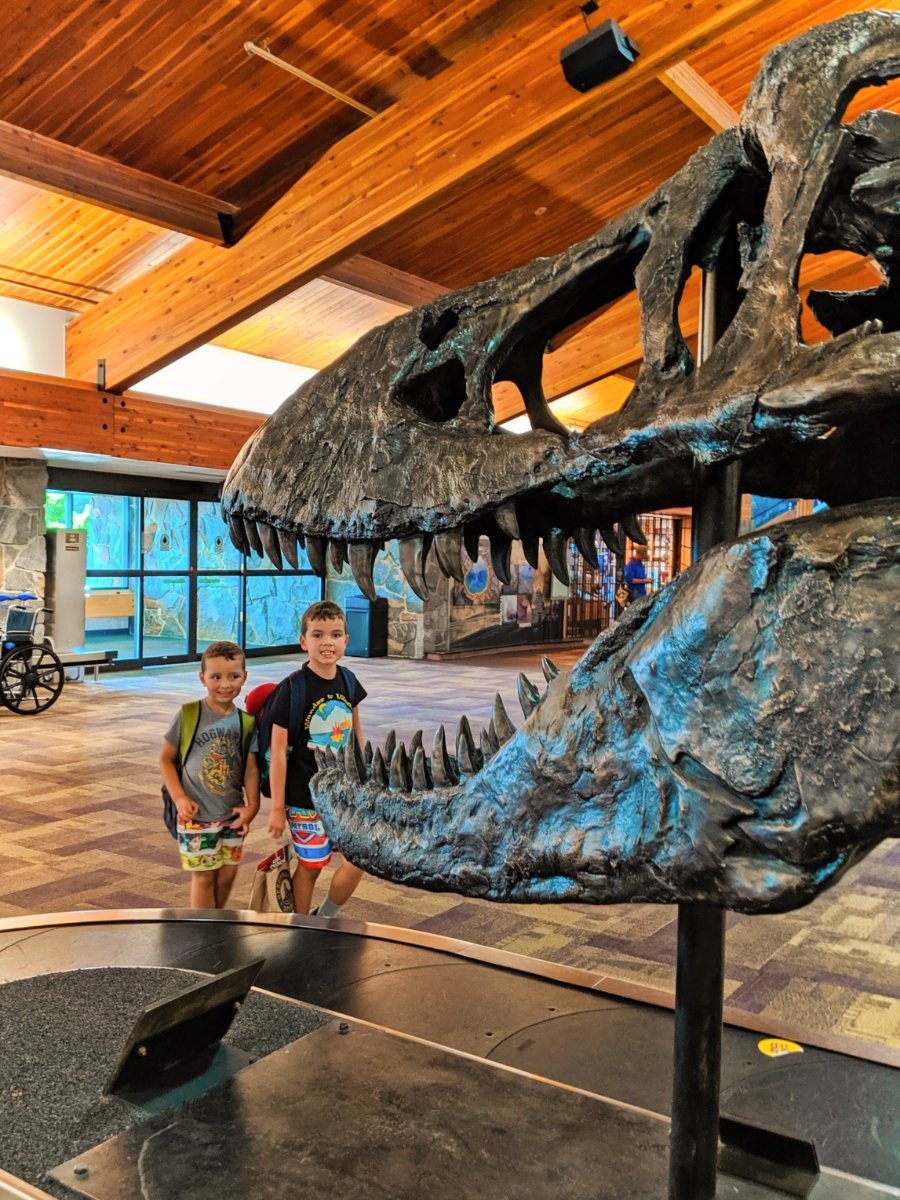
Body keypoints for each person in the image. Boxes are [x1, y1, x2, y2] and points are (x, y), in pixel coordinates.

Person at [266, 600, 367, 917]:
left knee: (360, 858)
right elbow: (278, 754)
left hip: (343, 794)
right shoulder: (292, 689)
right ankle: (301, 930)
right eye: (318, 635)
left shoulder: (349, 681)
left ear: (346, 641)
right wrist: (276, 808)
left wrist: (364, 784)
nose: (327, 642)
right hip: (304, 797)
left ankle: (323, 918)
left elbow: (356, 738)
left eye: (336, 635)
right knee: (311, 866)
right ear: (303, 641)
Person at [160, 640, 259, 909]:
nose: (225, 684)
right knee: (204, 878)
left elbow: (250, 769)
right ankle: (203, 931)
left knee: (227, 874)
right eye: (216, 677)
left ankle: (216, 924)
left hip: (231, 815)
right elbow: (166, 760)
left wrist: (253, 806)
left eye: (233, 676)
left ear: (244, 677)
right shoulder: (189, 714)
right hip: (195, 818)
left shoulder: (246, 722)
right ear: (203, 678)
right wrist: (179, 797)